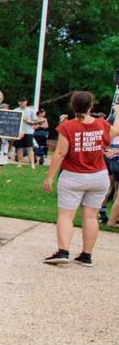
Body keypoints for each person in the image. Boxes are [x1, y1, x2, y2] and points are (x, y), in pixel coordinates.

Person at [43, 91, 114, 267]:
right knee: (91, 216)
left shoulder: (67, 127)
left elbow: (60, 153)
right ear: (91, 106)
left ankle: (63, 251)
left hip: (73, 175)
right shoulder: (101, 124)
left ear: (72, 106)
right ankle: (86, 255)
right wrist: (118, 112)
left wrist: (49, 178)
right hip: (99, 176)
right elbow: (115, 132)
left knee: (66, 215)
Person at [14, 97, 37, 166]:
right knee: (19, 148)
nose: (22, 103)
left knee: (30, 148)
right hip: (19, 132)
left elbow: (35, 122)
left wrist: (26, 120)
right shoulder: (15, 110)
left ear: (26, 102)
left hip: (28, 132)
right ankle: (20, 163)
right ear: (18, 102)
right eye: (20, 101)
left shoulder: (31, 111)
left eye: (23, 101)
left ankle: (32, 164)